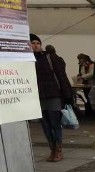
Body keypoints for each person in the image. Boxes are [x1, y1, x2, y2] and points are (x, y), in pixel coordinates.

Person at [31, 33, 73, 162]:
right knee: (45, 125)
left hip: (53, 94)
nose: (36, 45)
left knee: (55, 123)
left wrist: (67, 95)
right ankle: (52, 149)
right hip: (38, 96)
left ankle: (59, 150)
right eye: (33, 43)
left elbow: (61, 75)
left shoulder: (49, 57)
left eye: (38, 43)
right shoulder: (28, 60)